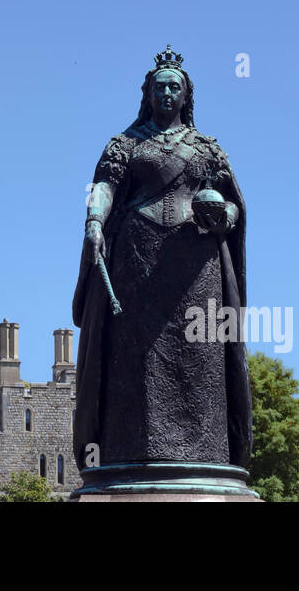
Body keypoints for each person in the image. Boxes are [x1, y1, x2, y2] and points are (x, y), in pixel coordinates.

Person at [73, 46, 251, 470]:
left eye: (175, 87)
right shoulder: (125, 144)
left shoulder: (208, 149)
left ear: (186, 95)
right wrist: (95, 220)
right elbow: (103, 186)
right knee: (134, 357)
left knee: (201, 357)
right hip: (137, 260)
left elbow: (234, 207)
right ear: (147, 94)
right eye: (160, 87)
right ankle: (129, 454)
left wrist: (222, 214)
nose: (167, 93)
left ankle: (205, 458)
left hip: (197, 267)